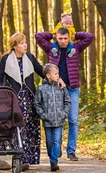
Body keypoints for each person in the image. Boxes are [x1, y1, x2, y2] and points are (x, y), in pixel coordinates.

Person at [35, 27, 94, 161]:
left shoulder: (76, 48)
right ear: (57, 38)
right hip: (55, 90)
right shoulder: (51, 48)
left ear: (69, 38)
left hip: (72, 89)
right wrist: (52, 34)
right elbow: (38, 36)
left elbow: (89, 36)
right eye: (60, 38)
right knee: (57, 119)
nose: (63, 41)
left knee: (73, 120)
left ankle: (71, 151)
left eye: (65, 38)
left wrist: (75, 34)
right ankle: (57, 149)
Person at [0, 33, 44, 171]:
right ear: (15, 45)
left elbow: (42, 71)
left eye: (26, 42)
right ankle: (18, 157)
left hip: (29, 98)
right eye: (22, 43)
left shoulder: (30, 58)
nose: (25, 45)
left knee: (28, 127)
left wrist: (55, 76)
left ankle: (26, 158)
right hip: (13, 97)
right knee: (17, 126)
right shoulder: (6, 59)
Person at [34, 64, 71, 172]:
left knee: (56, 140)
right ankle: (52, 156)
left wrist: (64, 114)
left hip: (59, 120)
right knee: (49, 142)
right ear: (48, 76)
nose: (58, 76)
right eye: (55, 74)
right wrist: (43, 115)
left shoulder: (61, 88)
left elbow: (67, 101)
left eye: (58, 73)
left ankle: (54, 161)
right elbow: (37, 104)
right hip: (47, 121)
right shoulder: (41, 89)